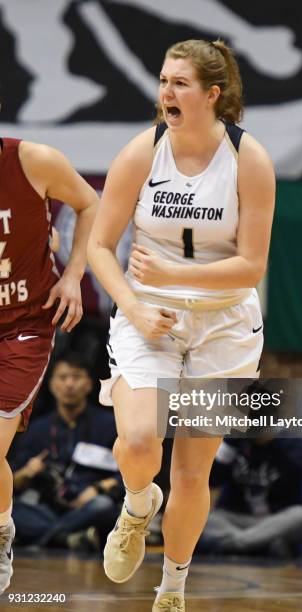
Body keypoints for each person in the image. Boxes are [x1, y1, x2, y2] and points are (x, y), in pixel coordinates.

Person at [87, 38, 275, 612]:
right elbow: (98, 246)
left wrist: (173, 270)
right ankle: (138, 503)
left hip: (223, 326)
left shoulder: (250, 160)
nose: (165, 91)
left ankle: (173, 588)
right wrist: (137, 305)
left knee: (193, 473)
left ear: (212, 95)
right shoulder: (142, 152)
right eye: (163, 80)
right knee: (140, 443)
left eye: (179, 83)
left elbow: (252, 266)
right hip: (150, 316)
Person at [0, 137, 98, 594]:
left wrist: (74, 274)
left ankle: (1, 537)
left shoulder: (32, 160)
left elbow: (89, 204)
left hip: (25, 325)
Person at [10, 352, 122, 550]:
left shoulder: (110, 425)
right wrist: (26, 472)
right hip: (48, 507)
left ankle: (49, 539)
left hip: (90, 505)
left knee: (103, 506)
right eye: (62, 377)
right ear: (51, 384)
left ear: (89, 384)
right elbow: (12, 483)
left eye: (76, 377)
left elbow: (127, 476)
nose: (69, 384)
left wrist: (98, 488)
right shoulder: (37, 429)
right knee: (10, 511)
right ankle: (69, 537)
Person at [200, 437, 302, 557]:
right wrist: (231, 441)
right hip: (236, 518)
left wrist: (272, 441)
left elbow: (298, 477)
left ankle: (236, 544)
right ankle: (261, 544)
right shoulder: (234, 441)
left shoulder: (290, 440)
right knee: (203, 517)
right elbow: (213, 480)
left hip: (274, 520)